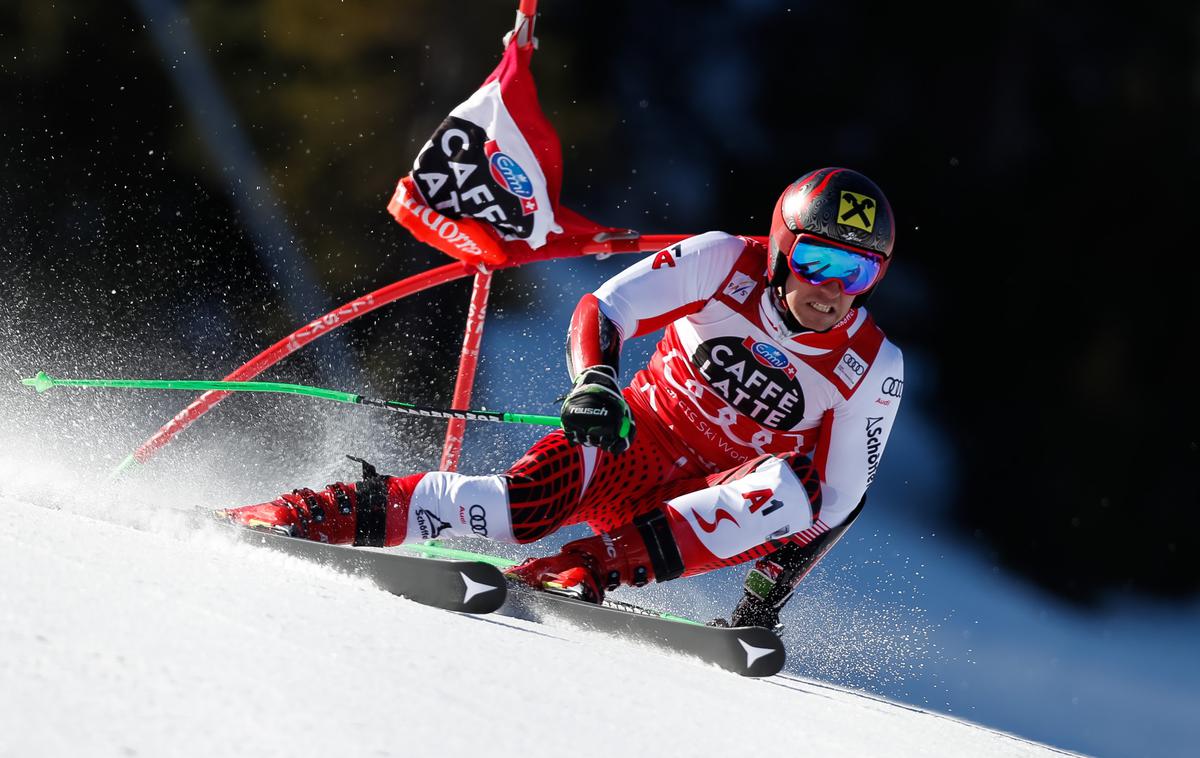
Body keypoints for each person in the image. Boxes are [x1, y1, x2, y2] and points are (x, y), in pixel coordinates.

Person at [220, 167, 904, 629]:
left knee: (791, 489)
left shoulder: (872, 366)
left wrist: (765, 597)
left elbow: (838, 501)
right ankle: (311, 512)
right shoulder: (725, 260)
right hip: (630, 443)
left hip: (699, 506)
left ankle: (585, 570)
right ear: (785, 251)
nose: (833, 289)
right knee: (508, 510)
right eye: (820, 261)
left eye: (859, 271)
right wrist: (596, 381)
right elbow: (607, 309)